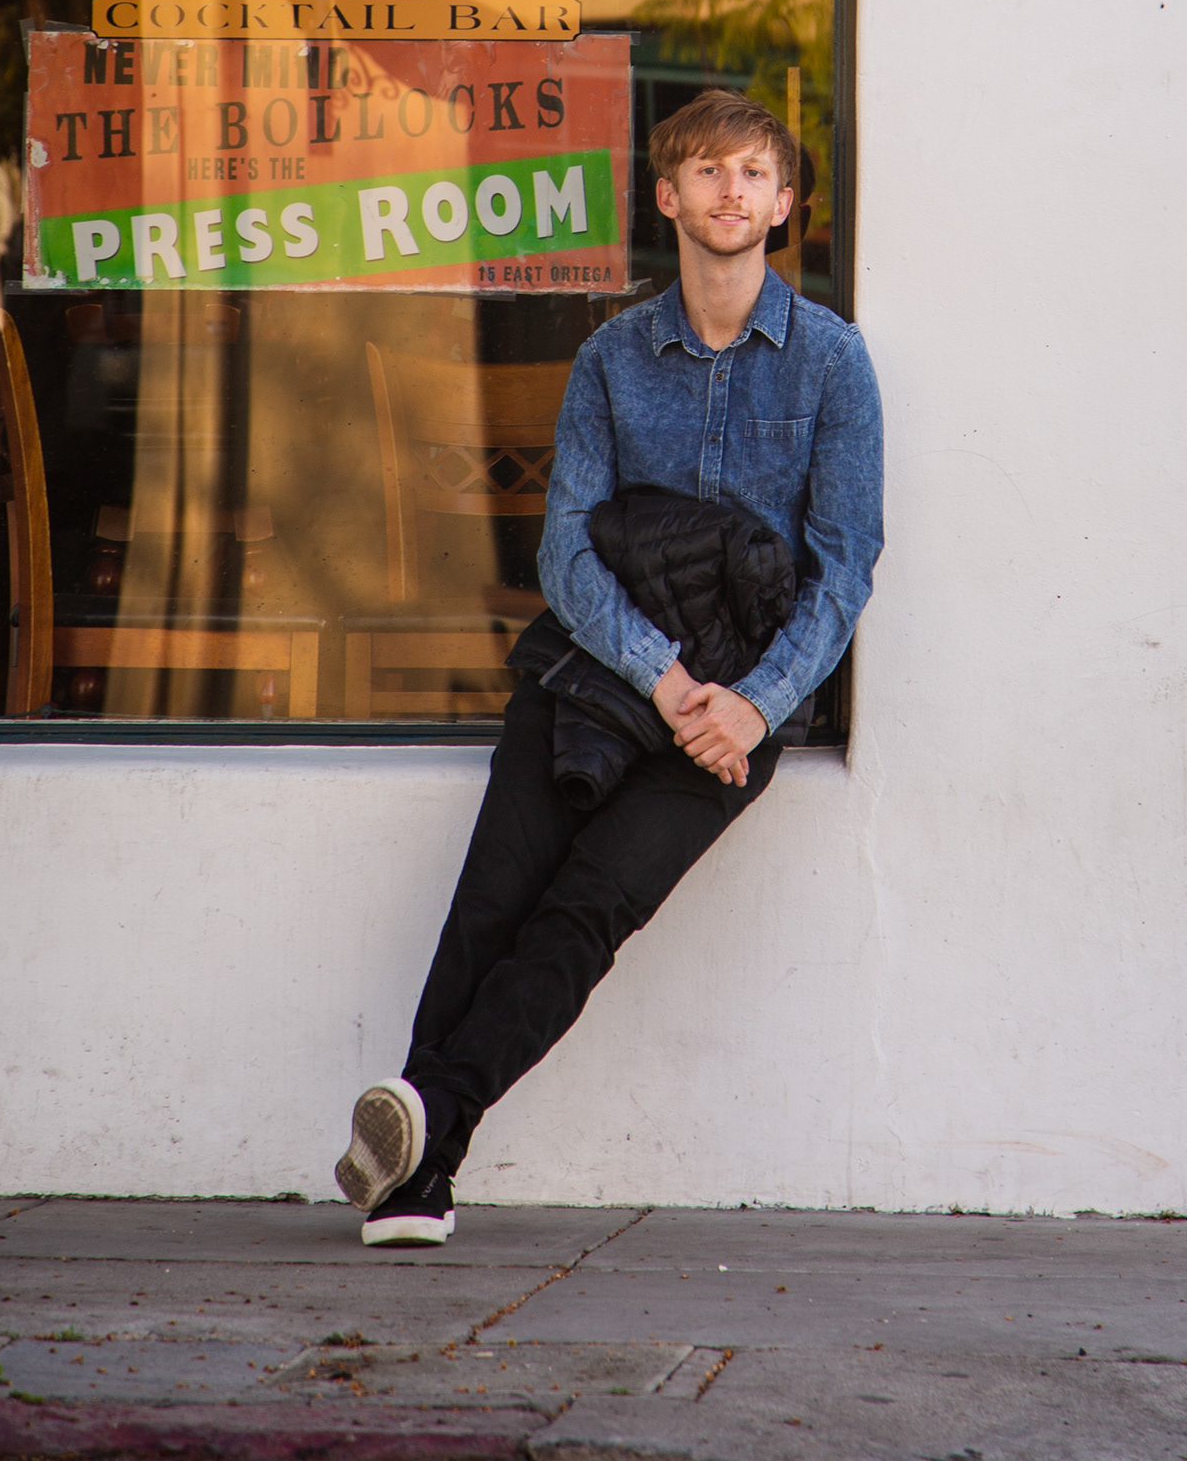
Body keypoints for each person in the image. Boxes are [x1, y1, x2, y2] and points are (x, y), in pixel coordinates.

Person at [334, 88, 885, 1246]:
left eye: (753, 173)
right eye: (707, 170)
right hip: (593, 671)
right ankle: (420, 1178)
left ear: (785, 204)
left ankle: (420, 1131)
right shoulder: (610, 358)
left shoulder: (834, 364)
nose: (730, 190)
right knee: (491, 903)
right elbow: (564, 553)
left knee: (587, 909)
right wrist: (660, 676)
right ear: (667, 196)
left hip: (734, 711)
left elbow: (844, 570)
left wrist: (752, 707)